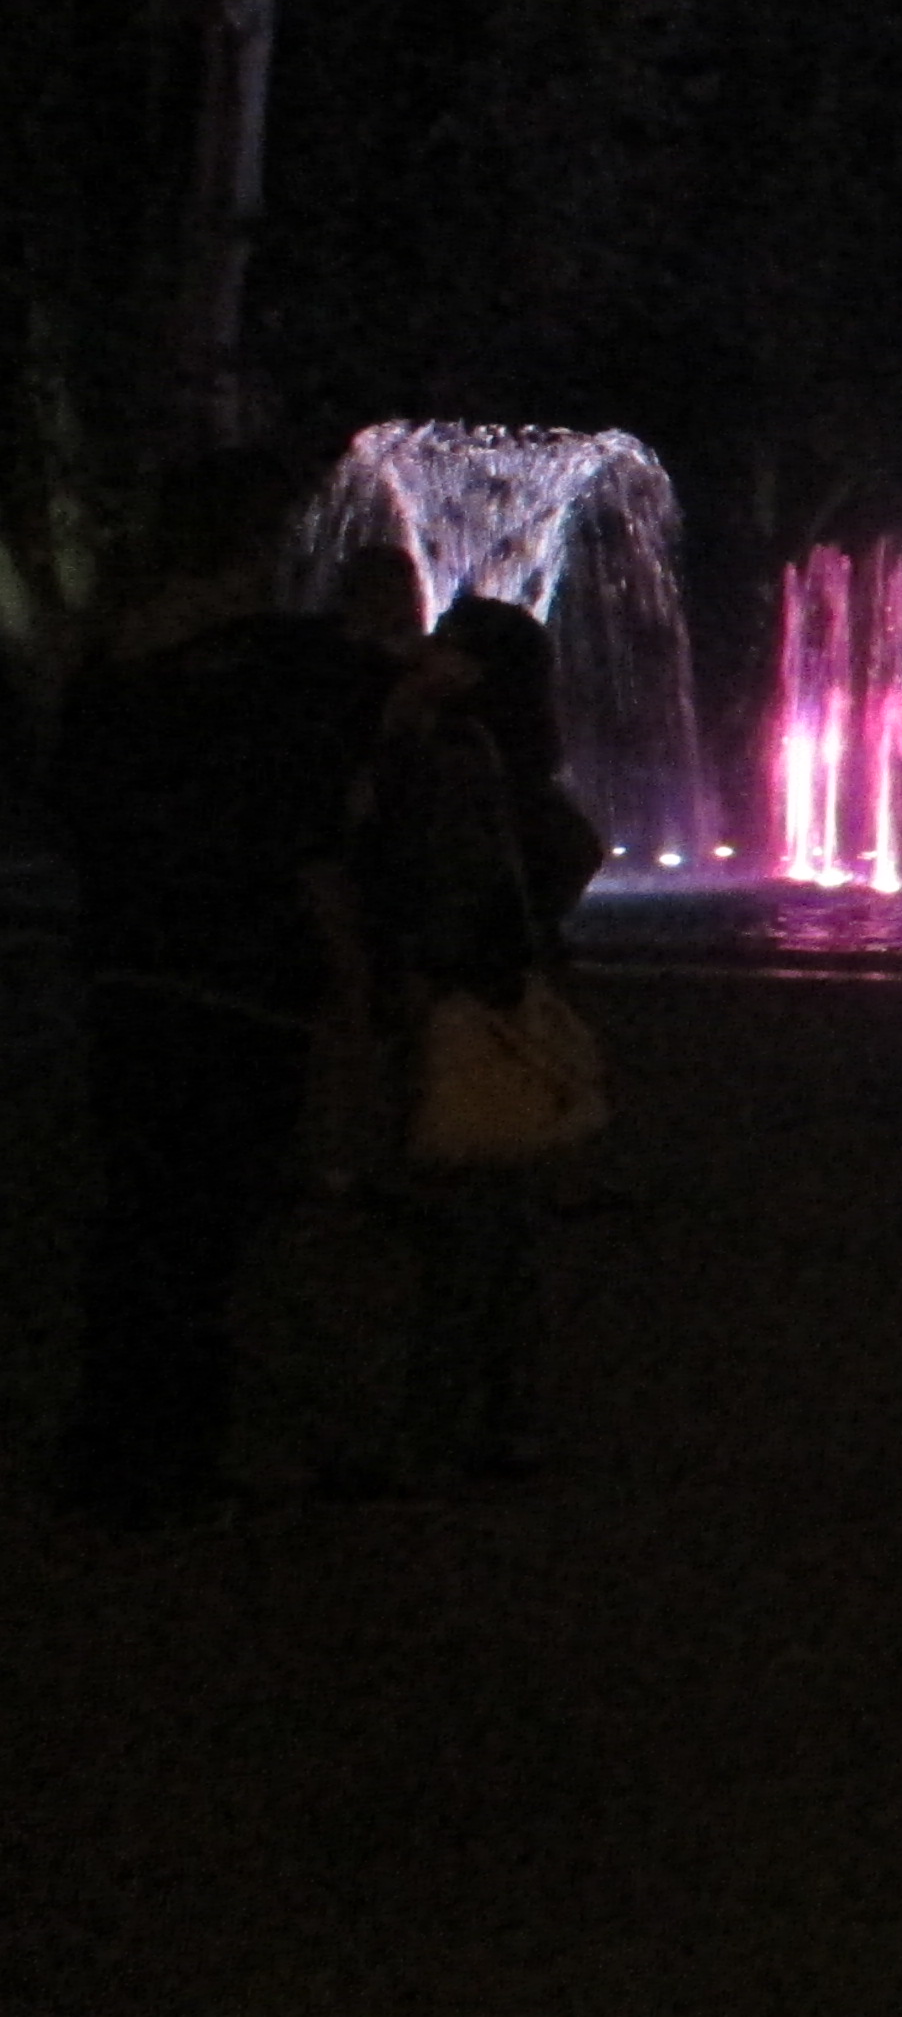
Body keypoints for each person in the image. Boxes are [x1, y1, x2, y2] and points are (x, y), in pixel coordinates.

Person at [48, 449, 395, 1530]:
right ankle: (184, 1457)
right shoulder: (282, 671)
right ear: (258, 546)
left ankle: (116, 1447)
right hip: (243, 981)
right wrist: (351, 983)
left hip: (131, 972)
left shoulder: (112, 669)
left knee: (140, 1215)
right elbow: (311, 835)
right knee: (216, 1224)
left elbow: (74, 814)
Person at [353, 594, 609, 1486]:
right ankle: (510, 1421)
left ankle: (429, 1436)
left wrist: (434, 966)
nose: (423, 650)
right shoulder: (510, 755)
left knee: (458, 1223)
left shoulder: (456, 750)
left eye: (446, 645)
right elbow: (574, 847)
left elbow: (443, 877)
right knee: (504, 1224)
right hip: (495, 990)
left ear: (477, 670)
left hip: (460, 999)